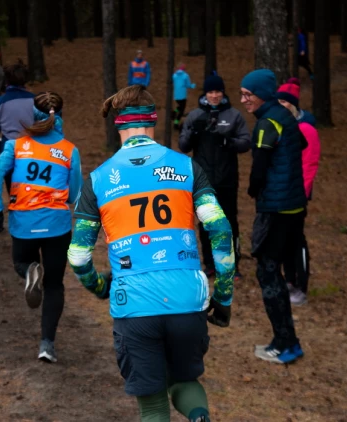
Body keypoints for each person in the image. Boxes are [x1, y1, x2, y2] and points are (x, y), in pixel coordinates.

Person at [67, 85, 235, 422]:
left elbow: (78, 255)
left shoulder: (99, 180)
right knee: (185, 380)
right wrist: (224, 295)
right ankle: (200, 417)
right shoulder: (187, 168)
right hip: (188, 299)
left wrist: (99, 287)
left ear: (119, 126)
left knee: (153, 405)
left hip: (135, 305)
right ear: (154, 121)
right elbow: (219, 228)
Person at [0, 92, 82, 363]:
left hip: (23, 222)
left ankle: (29, 271)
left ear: (32, 116)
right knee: (54, 286)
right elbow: (74, 194)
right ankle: (47, 345)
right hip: (57, 225)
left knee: (21, 261)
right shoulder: (69, 150)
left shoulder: (15, 146)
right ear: (60, 116)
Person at [240, 69, 306, 364]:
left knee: (267, 272)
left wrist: (254, 190)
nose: (243, 100)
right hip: (294, 206)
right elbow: (300, 146)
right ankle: (287, 340)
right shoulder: (285, 116)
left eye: (247, 95)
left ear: (262, 94)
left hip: (277, 209)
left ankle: (285, 343)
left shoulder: (266, 124)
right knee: (273, 270)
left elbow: (259, 168)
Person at [179, 73, 250, 281]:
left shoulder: (234, 115)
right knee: (206, 223)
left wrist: (228, 142)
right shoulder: (194, 115)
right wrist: (194, 133)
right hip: (203, 181)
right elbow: (183, 146)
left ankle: (232, 265)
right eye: (210, 91)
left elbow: (246, 142)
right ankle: (210, 264)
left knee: (229, 223)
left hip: (227, 179)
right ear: (205, 93)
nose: (214, 95)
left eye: (218, 91)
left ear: (223, 92)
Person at [277, 83, 321, 306]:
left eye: (285, 101)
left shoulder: (307, 129)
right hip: (281, 193)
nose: (282, 106)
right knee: (284, 239)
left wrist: (300, 193)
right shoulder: (282, 126)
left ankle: (301, 286)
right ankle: (289, 281)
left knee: (297, 240)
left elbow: (310, 164)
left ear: (293, 104)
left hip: (297, 194)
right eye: (279, 102)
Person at [0, 61, 36, 198]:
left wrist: (2, 148)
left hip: (11, 154)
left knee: (15, 197)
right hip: (36, 154)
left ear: (6, 80)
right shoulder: (37, 101)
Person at [172, 64, 196, 130]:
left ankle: (174, 112)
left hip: (176, 95)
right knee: (181, 111)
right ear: (184, 69)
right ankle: (176, 123)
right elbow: (188, 85)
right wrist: (193, 86)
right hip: (182, 96)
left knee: (179, 107)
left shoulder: (174, 75)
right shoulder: (185, 76)